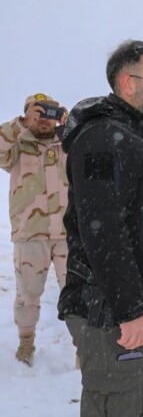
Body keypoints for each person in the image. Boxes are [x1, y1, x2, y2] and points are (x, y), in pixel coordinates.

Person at [57, 40, 143, 417]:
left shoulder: (141, 137)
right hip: (113, 311)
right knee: (119, 407)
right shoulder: (102, 138)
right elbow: (102, 229)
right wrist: (130, 309)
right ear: (129, 84)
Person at [0, 93, 69, 365]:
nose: (43, 119)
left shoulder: (69, 143)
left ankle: (84, 347)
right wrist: (20, 124)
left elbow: (96, 156)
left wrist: (72, 124)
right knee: (28, 294)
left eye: (49, 112)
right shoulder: (16, 145)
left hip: (68, 234)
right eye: (36, 112)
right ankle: (26, 343)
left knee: (78, 292)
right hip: (30, 234)